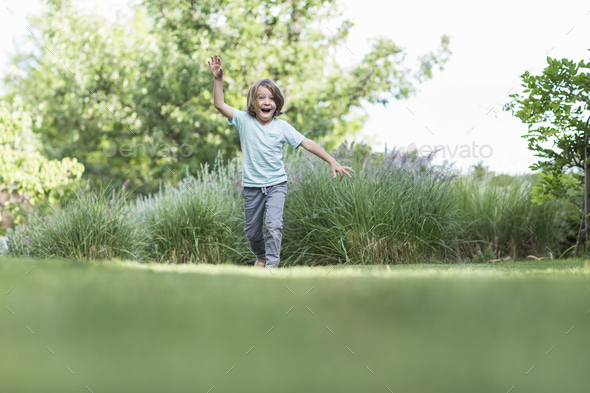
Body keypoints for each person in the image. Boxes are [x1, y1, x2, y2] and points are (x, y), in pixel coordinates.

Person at [207, 53, 353, 269]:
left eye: (271, 98)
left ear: (277, 103)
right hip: (252, 187)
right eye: (261, 97)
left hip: (276, 184)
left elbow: (307, 143)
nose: (267, 102)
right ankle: (262, 257)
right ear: (253, 103)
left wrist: (332, 161)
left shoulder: (282, 127)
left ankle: (272, 267)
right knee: (253, 232)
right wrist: (218, 79)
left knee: (274, 225)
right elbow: (219, 104)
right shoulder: (243, 120)